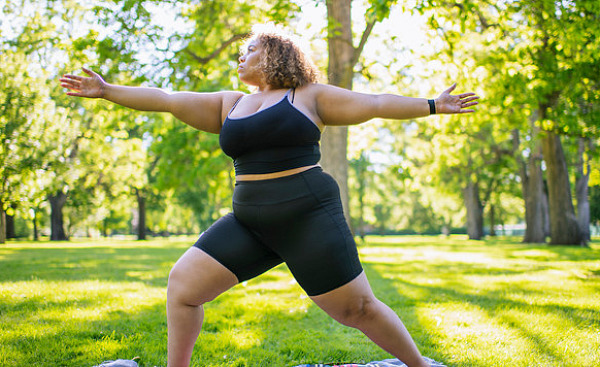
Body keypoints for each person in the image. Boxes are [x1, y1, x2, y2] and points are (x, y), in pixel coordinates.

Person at [60, 29, 479, 367]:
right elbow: (167, 100)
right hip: (250, 222)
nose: (240, 57)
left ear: (277, 55)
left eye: (250, 49)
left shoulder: (310, 95)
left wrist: (431, 105)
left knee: (358, 310)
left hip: (307, 214)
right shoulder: (231, 104)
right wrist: (108, 89)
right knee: (183, 287)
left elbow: (373, 103)